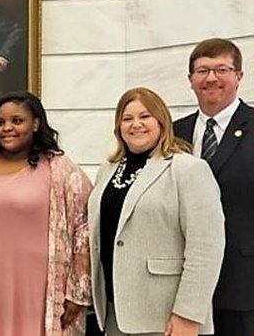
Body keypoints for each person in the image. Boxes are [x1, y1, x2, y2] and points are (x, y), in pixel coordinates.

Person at [90, 87, 225, 335]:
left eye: (145, 116)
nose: (136, 124)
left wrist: (188, 314)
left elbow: (207, 248)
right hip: (115, 313)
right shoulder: (107, 170)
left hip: (166, 317)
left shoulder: (188, 169)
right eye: (127, 118)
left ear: (161, 121)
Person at [0, 91, 92, 335]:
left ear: (36, 124)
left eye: (17, 121)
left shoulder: (60, 169)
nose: (7, 128)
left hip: (35, 289)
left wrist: (78, 291)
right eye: (0, 123)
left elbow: (84, 229)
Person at [173, 38, 253, 336]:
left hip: (242, 283)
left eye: (221, 69)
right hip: (182, 284)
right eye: (202, 70)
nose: (211, 78)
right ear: (190, 79)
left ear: (239, 76)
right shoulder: (174, 132)